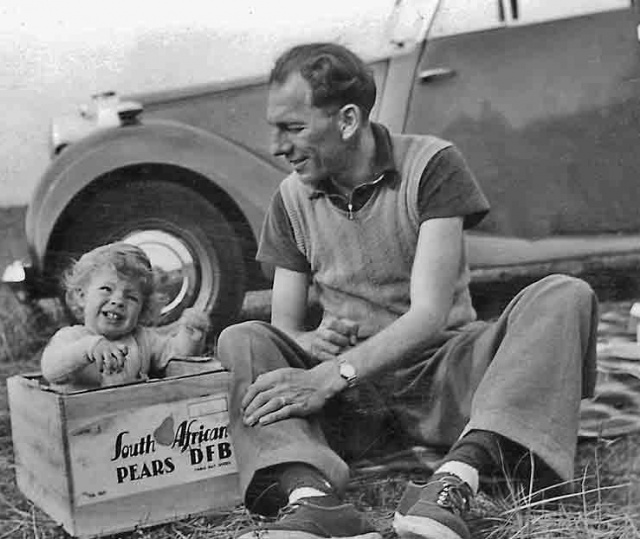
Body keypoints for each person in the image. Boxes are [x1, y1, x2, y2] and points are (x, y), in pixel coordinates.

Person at [216, 42, 598, 539]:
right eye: (275, 128)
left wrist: (334, 372)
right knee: (242, 338)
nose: (277, 146)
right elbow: (285, 326)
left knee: (564, 295)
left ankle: (455, 479)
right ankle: (312, 499)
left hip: (445, 378)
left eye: (293, 128)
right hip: (352, 410)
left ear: (348, 120)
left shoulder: (431, 164)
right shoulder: (289, 197)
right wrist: (310, 343)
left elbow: (429, 314)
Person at [41, 242, 211, 391]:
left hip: (131, 416)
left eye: (131, 297)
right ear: (82, 296)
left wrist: (191, 334)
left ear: (142, 309)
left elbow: (178, 355)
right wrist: (89, 348)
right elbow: (50, 370)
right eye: (106, 289)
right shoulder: (71, 337)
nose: (118, 301)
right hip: (81, 416)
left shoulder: (143, 339)